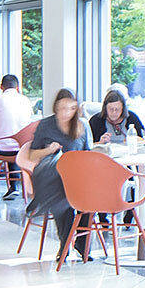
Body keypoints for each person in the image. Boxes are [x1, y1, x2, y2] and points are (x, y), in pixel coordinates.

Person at [17, 87, 92, 260]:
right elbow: (32, 154)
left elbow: (88, 153)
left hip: (78, 174)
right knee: (62, 191)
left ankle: (81, 244)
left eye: (70, 108)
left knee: (89, 195)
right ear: (56, 107)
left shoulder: (82, 126)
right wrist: (49, 150)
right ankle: (65, 244)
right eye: (62, 108)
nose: (66, 113)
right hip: (54, 174)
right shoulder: (46, 125)